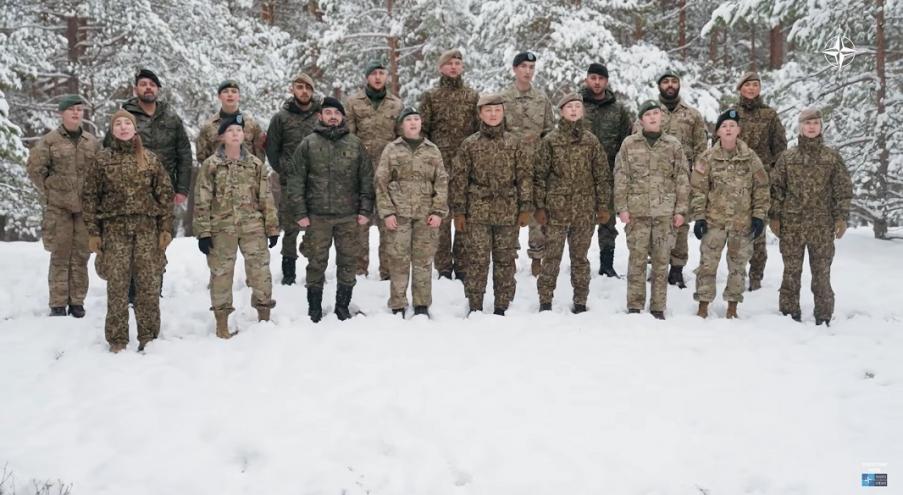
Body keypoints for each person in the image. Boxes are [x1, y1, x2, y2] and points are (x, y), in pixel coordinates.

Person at [83, 109, 174, 353]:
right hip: (115, 231)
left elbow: (164, 195)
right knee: (117, 286)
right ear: (112, 130)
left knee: (148, 285)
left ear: (135, 129)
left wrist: (165, 228)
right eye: (118, 124)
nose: (123, 127)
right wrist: (93, 232)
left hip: (147, 230)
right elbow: (90, 197)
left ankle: (148, 336)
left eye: (127, 123)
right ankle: (117, 339)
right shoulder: (101, 160)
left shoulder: (149, 159)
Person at [287, 97, 374, 323]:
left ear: (343, 116)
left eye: (337, 112)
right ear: (320, 116)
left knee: (348, 263)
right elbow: (296, 180)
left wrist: (365, 210)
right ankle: (314, 308)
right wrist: (300, 213)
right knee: (316, 263)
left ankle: (342, 307)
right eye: (328, 112)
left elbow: (366, 178)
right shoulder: (308, 144)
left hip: (348, 217)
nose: (333, 116)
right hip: (317, 217)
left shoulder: (355, 144)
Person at [194, 114, 278, 338]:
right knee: (221, 274)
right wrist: (203, 231)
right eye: (230, 130)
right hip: (222, 228)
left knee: (260, 271)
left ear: (244, 136)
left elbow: (266, 198)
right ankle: (222, 322)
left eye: (238, 131)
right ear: (221, 136)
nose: (235, 134)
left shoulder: (255, 165)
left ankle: (264, 315)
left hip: (252, 227)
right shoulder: (211, 165)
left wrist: (271, 227)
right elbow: (202, 200)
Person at [450, 94, 533, 316]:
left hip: (507, 210)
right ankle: (475, 305)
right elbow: (459, 180)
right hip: (477, 210)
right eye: (488, 110)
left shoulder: (514, 143)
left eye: (497, 110)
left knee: (505, 260)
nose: (493, 114)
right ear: (480, 114)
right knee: (477, 260)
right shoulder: (470, 144)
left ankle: (502, 305)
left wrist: (525, 207)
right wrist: (458, 211)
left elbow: (524, 176)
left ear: (503, 112)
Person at [770, 108, 853, 325]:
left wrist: (841, 217)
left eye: (815, 123)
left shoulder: (831, 158)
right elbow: (776, 189)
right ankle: (789, 314)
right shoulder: (787, 158)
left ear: (821, 126)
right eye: (807, 123)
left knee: (822, 274)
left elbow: (842, 189)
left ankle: (823, 315)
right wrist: (775, 217)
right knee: (791, 273)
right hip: (792, 225)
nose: (811, 127)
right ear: (800, 127)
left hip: (821, 226)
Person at [534, 94, 611, 313]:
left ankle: (580, 301)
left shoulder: (591, 141)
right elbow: (539, 175)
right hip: (555, 210)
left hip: (584, 210)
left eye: (578, 106)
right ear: (561, 112)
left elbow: (602, 175)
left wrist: (603, 205)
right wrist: (539, 206)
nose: (574, 110)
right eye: (569, 107)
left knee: (580, 258)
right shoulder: (550, 140)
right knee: (551, 257)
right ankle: (545, 300)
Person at [690, 109, 770, 319]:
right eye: (724, 126)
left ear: (738, 130)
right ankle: (703, 305)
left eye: (732, 126)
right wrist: (699, 217)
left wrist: (759, 216)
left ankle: (733, 306)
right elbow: (698, 189)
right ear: (717, 132)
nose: (728, 129)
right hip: (713, 222)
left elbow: (761, 188)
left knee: (738, 267)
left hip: (741, 224)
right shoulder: (707, 158)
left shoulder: (750, 158)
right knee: (707, 265)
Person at [613, 100, 688, 320]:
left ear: (662, 117)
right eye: (648, 115)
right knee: (636, 261)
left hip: (665, 213)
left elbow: (682, 178)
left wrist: (681, 210)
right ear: (641, 120)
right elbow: (621, 176)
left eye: (656, 113)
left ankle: (657, 307)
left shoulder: (673, 145)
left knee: (661, 262)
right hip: (637, 213)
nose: (653, 118)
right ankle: (635, 305)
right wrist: (622, 208)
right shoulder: (629, 144)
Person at [27, 94, 99, 317]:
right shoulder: (49, 141)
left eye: (79, 109)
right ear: (61, 113)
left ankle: (77, 301)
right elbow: (34, 169)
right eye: (71, 110)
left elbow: (98, 172)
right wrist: (51, 189)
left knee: (81, 255)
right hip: (59, 209)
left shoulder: (92, 142)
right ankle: (57, 303)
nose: (76, 113)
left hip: (84, 209)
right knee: (60, 254)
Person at [374, 107, 448, 318]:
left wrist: (438, 211)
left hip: (426, 215)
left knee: (423, 261)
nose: (413, 123)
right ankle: (398, 302)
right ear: (401, 125)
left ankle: (422, 304)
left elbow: (441, 182)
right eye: (409, 120)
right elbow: (381, 182)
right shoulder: (391, 149)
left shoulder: (432, 150)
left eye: (417, 119)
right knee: (398, 260)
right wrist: (387, 212)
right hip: (399, 214)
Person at [641, 70, 708, 288]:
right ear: (659, 86)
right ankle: (657, 264)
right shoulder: (649, 113)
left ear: (679, 85)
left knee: (680, 224)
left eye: (674, 81)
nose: (670, 85)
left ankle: (677, 268)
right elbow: (637, 140)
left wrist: (696, 176)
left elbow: (701, 147)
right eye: (665, 82)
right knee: (655, 222)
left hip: (682, 178)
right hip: (654, 178)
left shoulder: (692, 115)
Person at [104, 69, 191, 233]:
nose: (148, 88)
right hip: (131, 191)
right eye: (143, 84)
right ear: (135, 89)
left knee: (162, 239)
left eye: (152, 85)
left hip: (165, 190)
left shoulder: (171, 117)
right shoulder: (125, 118)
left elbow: (184, 154)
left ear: (158, 89)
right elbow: (109, 152)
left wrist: (182, 189)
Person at [419, 49, 480, 280]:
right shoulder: (431, 96)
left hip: (465, 166)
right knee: (441, 218)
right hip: (439, 166)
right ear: (441, 68)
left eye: (457, 63)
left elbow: (478, 131)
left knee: (463, 215)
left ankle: (463, 265)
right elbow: (423, 132)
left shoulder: (472, 96)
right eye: (449, 63)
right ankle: (443, 267)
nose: (454, 67)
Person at [345, 61, 403, 279]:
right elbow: (348, 137)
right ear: (367, 77)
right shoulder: (353, 103)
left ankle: (387, 270)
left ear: (387, 77)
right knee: (360, 221)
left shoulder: (396, 104)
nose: (378, 77)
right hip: (361, 171)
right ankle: (359, 269)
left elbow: (401, 140)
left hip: (388, 174)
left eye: (382, 73)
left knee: (389, 222)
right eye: (374, 74)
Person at [500, 51, 555, 277]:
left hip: (535, 166)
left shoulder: (541, 100)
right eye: (523, 66)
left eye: (531, 67)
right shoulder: (502, 98)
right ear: (514, 69)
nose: (528, 71)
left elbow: (549, 133)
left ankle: (537, 257)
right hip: (510, 166)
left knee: (537, 214)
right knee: (510, 212)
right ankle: (509, 257)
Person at [266, 72, 322, 285]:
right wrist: (286, 171)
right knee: (290, 228)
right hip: (291, 183)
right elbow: (272, 149)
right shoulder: (281, 118)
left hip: (317, 183)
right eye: (300, 87)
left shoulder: (321, 115)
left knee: (316, 228)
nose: (304, 91)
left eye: (308, 87)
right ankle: (288, 273)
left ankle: (315, 271)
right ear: (293, 89)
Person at [192, 80, 267, 237]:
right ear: (219, 96)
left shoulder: (251, 125)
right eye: (226, 92)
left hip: (247, 192)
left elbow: (259, 155)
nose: (230, 95)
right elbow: (202, 155)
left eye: (234, 91)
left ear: (239, 96)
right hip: (220, 191)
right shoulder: (208, 126)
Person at [734, 71, 787, 290]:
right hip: (735, 181)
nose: (752, 89)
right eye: (748, 85)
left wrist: (773, 175)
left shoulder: (770, 115)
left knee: (758, 229)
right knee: (736, 228)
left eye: (756, 85)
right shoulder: (731, 113)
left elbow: (781, 149)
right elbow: (718, 144)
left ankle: (756, 276)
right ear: (740, 89)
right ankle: (736, 272)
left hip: (761, 181)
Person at [581, 63, 634, 277]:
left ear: (606, 81)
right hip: (580, 171)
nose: (596, 82)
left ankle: (606, 263)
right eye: (592, 77)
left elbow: (626, 140)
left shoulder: (617, 108)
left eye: (600, 78)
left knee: (607, 220)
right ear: (587, 79)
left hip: (609, 171)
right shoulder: (577, 105)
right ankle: (579, 262)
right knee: (581, 220)